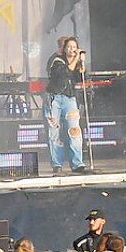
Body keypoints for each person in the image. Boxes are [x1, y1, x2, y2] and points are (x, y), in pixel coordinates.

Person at [45, 38, 87, 176]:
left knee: (74, 131)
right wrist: (75, 60)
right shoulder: (56, 60)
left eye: (74, 47)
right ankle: (57, 164)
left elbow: (80, 78)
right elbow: (64, 74)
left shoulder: (75, 62)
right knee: (54, 132)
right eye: (68, 47)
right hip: (55, 99)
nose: (71, 50)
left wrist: (82, 66)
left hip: (69, 98)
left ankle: (77, 164)